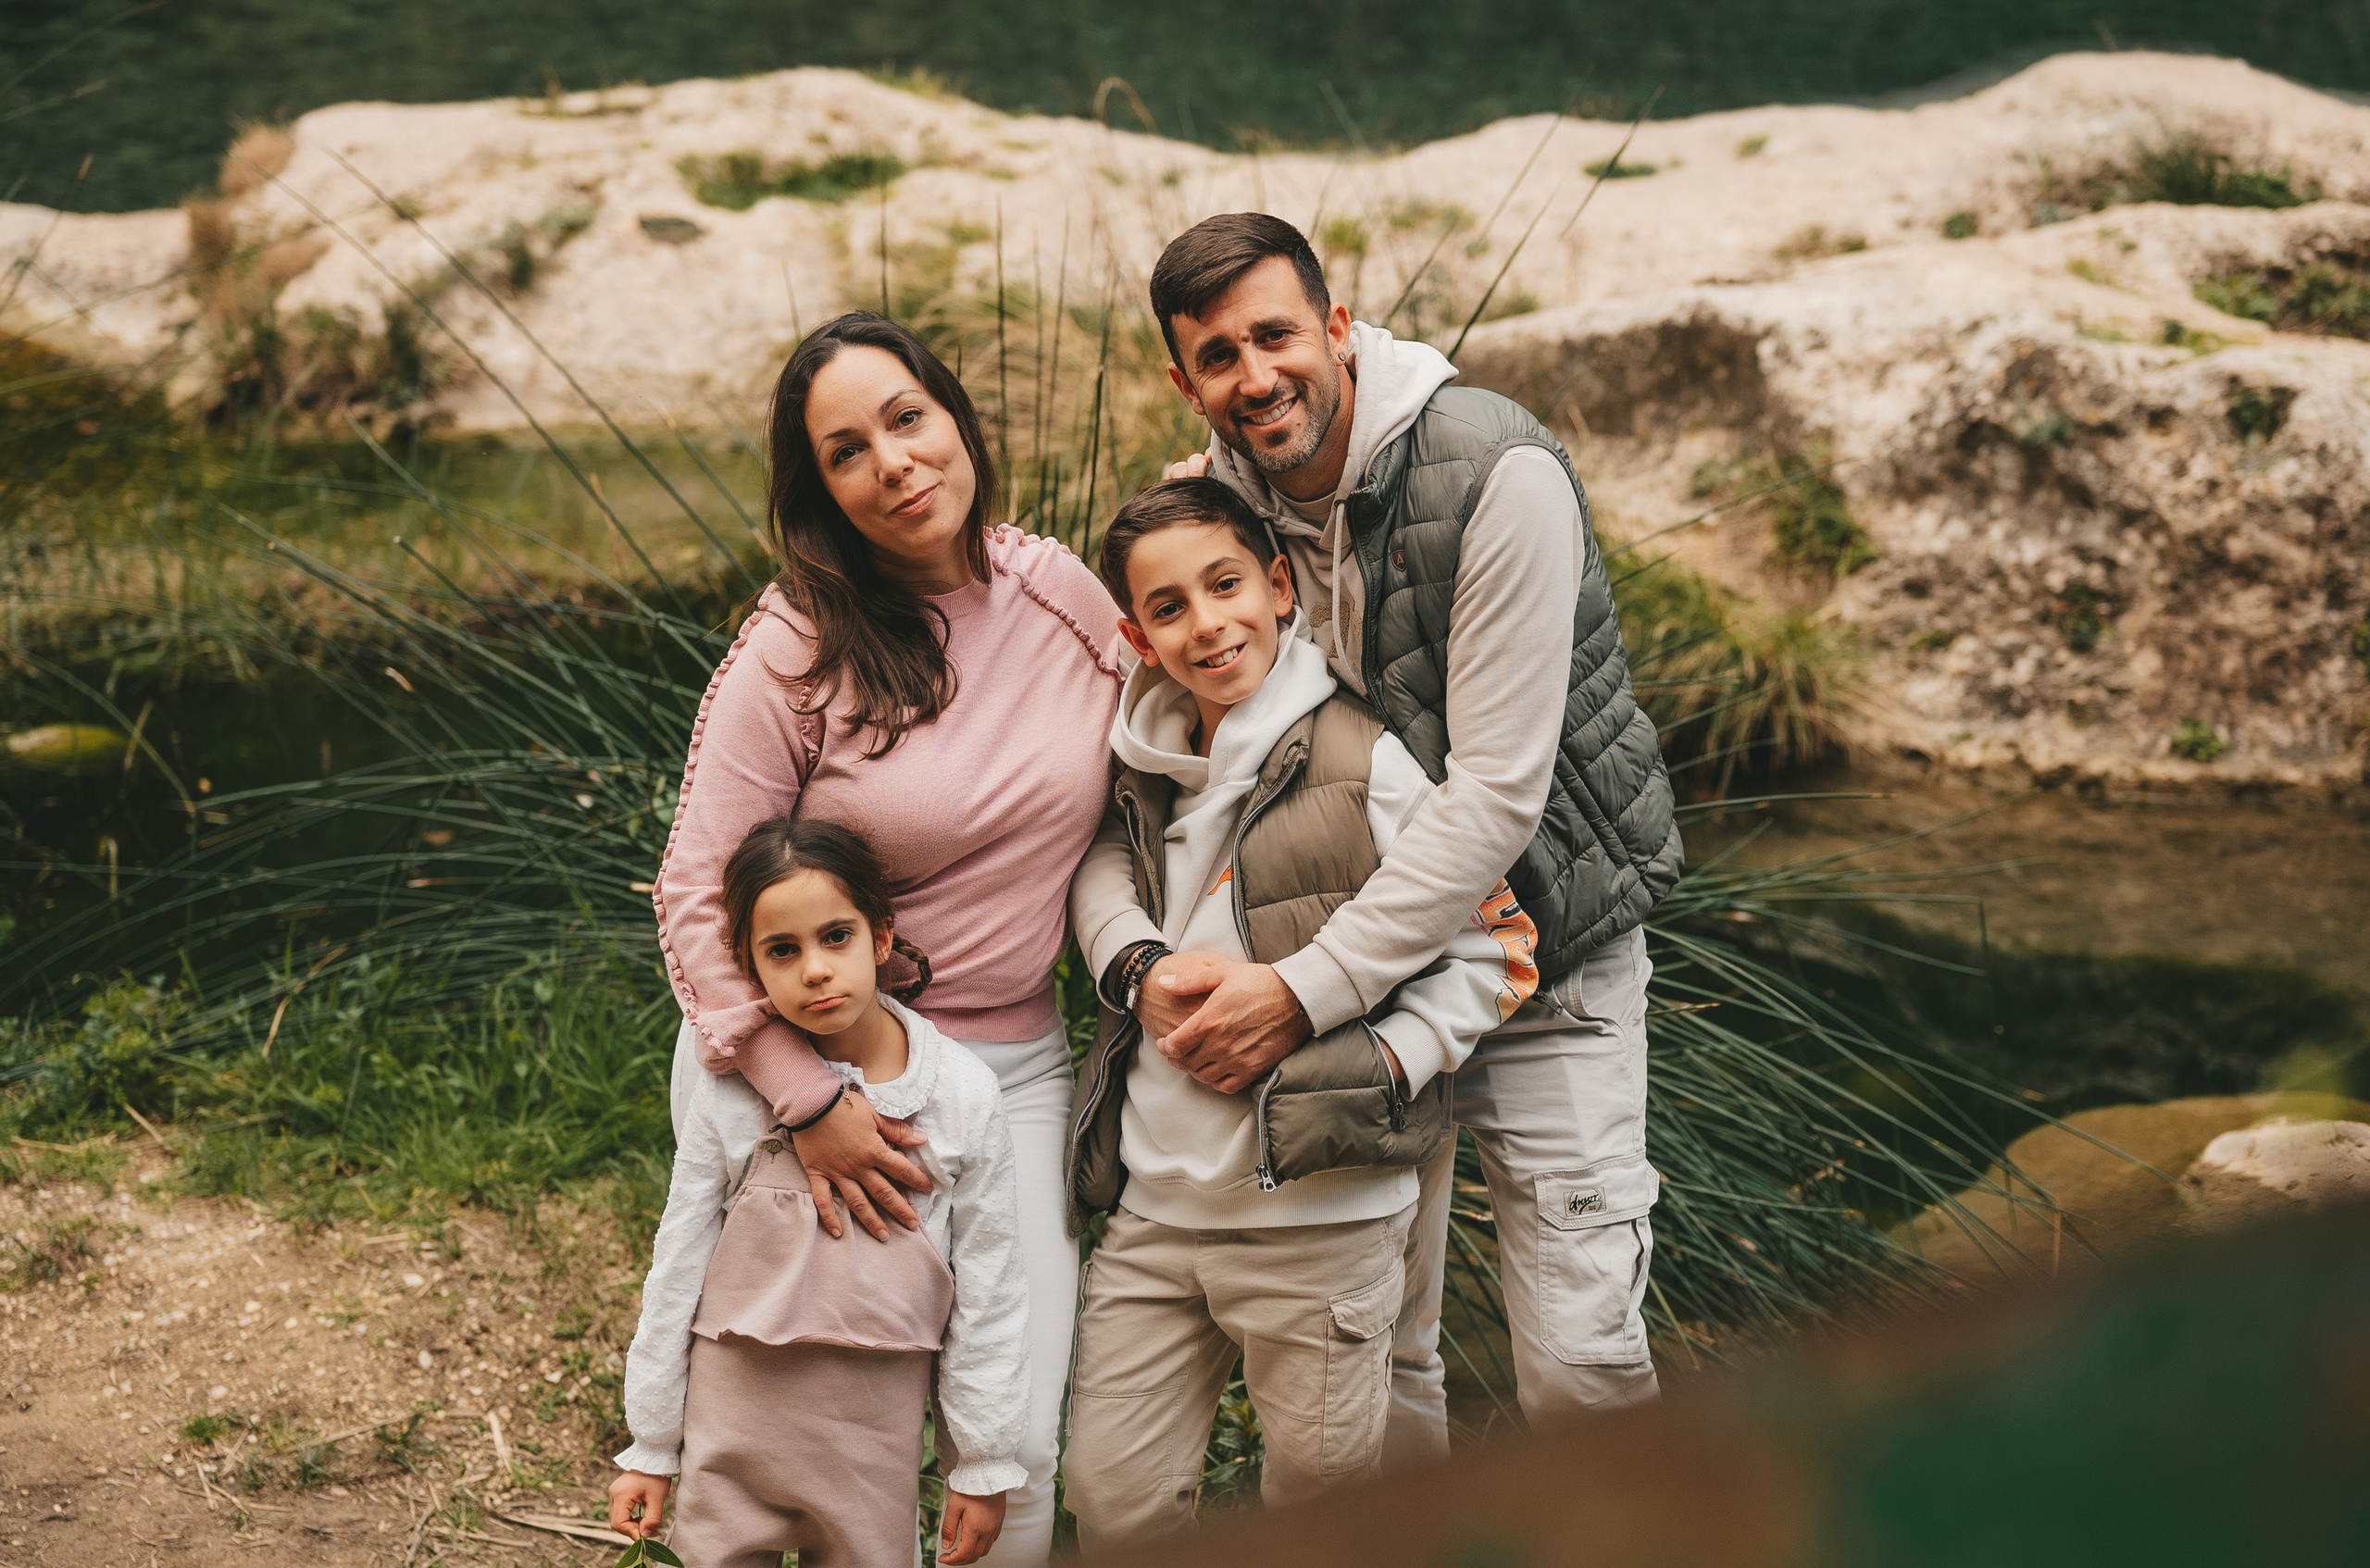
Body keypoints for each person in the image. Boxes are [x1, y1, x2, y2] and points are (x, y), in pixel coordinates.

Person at [1073, 213, 1684, 1454]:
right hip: (1354, 977)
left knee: (1578, 1353)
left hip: (1542, 946)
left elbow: (1497, 795)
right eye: (1217, 355)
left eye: (1276, 336)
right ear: (1181, 377)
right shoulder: (1220, 499)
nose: (1254, 378)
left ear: (1340, 329)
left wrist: (1302, 992)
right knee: (1387, 1349)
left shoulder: (1497, 469)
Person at [650, 312, 1121, 1563]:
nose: (894, 463)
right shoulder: (793, 645)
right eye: (846, 450)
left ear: (958, 418)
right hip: (821, 1075)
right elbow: (696, 894)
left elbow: (1186, 724)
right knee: (805, 1453)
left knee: (1008, 1442)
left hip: (1014, 1072)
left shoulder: (1062, 593)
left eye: (908, 418)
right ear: (823, 492)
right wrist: (808, 1098)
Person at [1062, 478, 1539, 1547]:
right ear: (1139, 634)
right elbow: (1097, 869)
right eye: (1170, 607)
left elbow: (1493, 952)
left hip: (1317, 1224)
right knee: (1110, 1494)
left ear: (1279, 586)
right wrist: (1135, 963)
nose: (1207, 622)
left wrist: (1385, 1062)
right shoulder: (1139, 767)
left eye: (1226, 584)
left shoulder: (1366, 757)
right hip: (1153, 1213)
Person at [610, 819, 1029, 1567]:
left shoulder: (963, 1096)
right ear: (748, 965)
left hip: (873, 1429)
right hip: (732, 1415)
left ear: (882, 935)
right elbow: (677, 1263)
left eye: (836, 937)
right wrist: (651, 1443)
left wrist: (982, 1458)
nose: (814, 970)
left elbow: (990, 1289)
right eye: (782, 950)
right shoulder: (732, 1093)